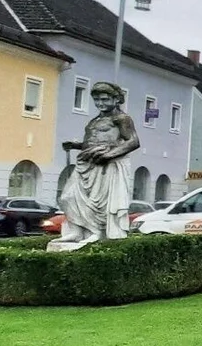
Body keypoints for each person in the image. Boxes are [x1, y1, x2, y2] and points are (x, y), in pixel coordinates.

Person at [56, 81, 140, 245]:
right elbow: (91, 142)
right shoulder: (95, 120)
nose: (100, 104)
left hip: (105, 165)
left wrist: (109, 155)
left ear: (116, 99)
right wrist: (75, 146)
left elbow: (133, 141)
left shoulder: (121, 118)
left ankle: (96, 231)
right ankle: (77, 231)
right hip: (87, 162)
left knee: (99, 203)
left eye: (104, 99)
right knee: (67, 197)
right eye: (97, 100)